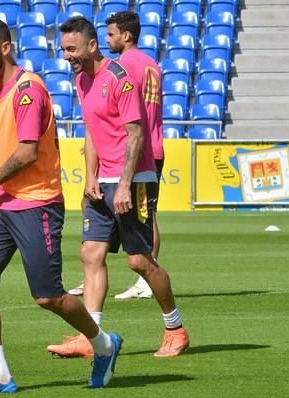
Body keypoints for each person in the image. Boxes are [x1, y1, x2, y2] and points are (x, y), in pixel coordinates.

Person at [0, 18, 122, 395]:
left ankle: (104, 345)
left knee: (48, 295)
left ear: (5, 47)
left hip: (36, 204)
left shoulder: (27, 89)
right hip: (0, 205)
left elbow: (27, 152)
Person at [47, 15, 189, 359]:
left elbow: (136, 133)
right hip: (102, 181)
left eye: (72, 49)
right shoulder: (82, 80)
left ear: (92, 45)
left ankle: (176, 328)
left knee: (139, 261)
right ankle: (92, 337)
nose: (67, 56)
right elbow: (92, 131)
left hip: (133, 180)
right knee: (90, 253)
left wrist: (124, 184)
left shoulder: (120, 78)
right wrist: (90, 176)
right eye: (63, 50)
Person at [68, 11, 165, 300]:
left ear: (127, 35)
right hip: (154, 146)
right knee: (148, 216)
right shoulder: (152, 65)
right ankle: (133, 275)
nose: (108, 39)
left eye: (111, 34)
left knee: (129, 220)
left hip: (131, 151)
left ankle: (146, 276)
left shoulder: (121, 68)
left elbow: (118, 114)